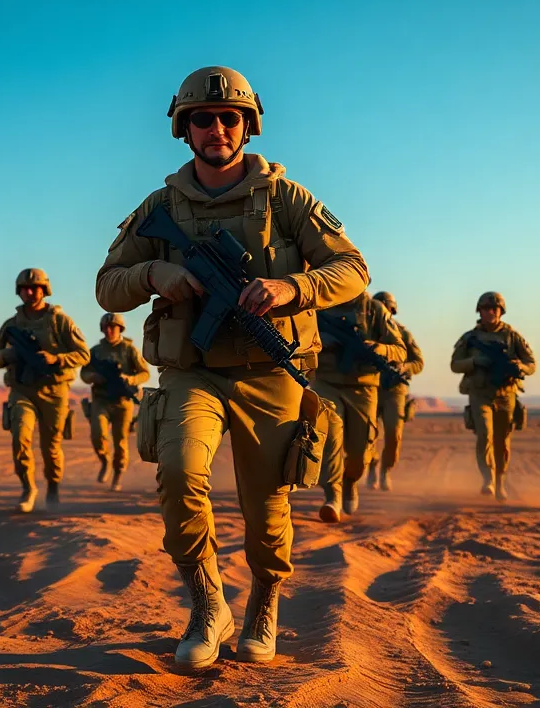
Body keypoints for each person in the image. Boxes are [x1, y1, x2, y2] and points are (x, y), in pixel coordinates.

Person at [95, 66, 369, 671]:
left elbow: (353, 270)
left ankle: (263, 606)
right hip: (192, 370)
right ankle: (206, 603)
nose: (216, 127)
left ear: (247, 124)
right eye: (202, 118)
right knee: (179, 469)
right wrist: (154, 275)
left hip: (270, 376)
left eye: (229, 117)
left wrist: (290, 287)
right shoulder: (159, 207)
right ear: (182, 128)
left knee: (267, 507)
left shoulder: (287, 199)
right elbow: (107, 287)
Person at [0, 268, 90, 512]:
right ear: (19, 291)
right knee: (20, 437)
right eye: (25, 288)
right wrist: (8, 355)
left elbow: (83, 354)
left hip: (54, 392)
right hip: (22, 390)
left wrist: (56, 359)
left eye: (35, 288)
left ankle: (53, 486)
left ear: (44, 290)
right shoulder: (11, 325)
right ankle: (28, 488)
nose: (31, 292)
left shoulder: (59, 320)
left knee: (51, 446)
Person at [313, 292, 405, 519]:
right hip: (326, 383)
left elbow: (400, 350)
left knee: (360, 452)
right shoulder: (320, 304)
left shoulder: (374, 310)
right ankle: (332, 496)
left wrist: (381, 349)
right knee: (330, 436)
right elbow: (295, 336)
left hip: (363, 389)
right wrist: (319, 340)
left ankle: (349, 481)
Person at [449, 292, 535, 501]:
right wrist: (475, 362)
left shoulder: (512, 336)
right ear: (479, 311)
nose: (491, 312)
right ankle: (487, 478)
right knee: (485, 436)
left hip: (506, 395)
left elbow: (531, 364)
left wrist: (519, 367)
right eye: (486, 308)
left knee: (502, 442)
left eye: (495, 309)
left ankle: (500, 482)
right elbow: (455, 364)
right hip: (480, 394)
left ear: (501, 312)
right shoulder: (470, 338)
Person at [80, 313, 150, 491]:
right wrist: (94, 376)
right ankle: (104, 461)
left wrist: (130, 380)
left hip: (122, 402)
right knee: (98, 435)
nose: (110, 330)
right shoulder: (95, 351)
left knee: (120, 442)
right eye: (107, 327)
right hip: (101, 400)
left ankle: (117, 474)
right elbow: (84, 373)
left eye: (114, 327)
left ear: (120, 329)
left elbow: (145, 373)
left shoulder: (129, 349)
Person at [367, 291, 424, 492]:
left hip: (395, 390)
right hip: (371, 387)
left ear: (392, 311)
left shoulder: (403, 335)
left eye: (387, 309)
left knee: (394, 435)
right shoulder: (366, 333)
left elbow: (418, 362)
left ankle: (385, 471)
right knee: (367, 434)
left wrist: (404, 367)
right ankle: (373, 465)